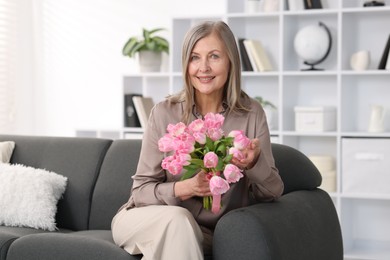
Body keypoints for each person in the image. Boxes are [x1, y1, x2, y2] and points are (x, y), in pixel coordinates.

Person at [111, 20, 284, 260]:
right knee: (178, 220)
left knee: (181, 228)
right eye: (194, 58)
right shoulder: (164, 113)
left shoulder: (251, 114)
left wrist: (254, 164)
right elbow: (140, 193)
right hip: (143, 219)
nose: (203, 67)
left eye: (214, 56)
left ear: (231, 61)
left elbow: (273, 191)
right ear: (186, 64)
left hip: (203, 233)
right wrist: (185, 188)